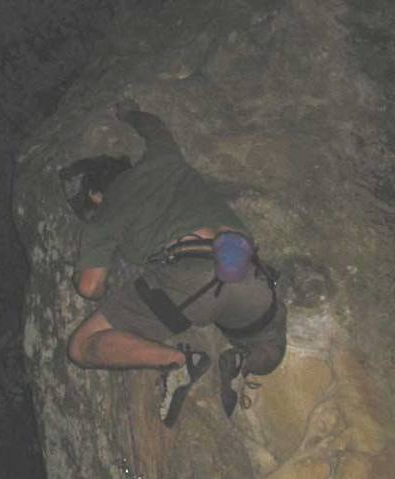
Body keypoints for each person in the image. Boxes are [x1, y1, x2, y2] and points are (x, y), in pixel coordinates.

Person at [61, 99, 286, 426]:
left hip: (187, 279)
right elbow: (155, 127)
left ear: (96, 194)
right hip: (252, 279)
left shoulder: (105, 215)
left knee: (80, 347)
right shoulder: (164, 160)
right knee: (270, 342)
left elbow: (90, 287)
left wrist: (84, 270)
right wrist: (129, 114)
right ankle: (245, 360)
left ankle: (177, 361)